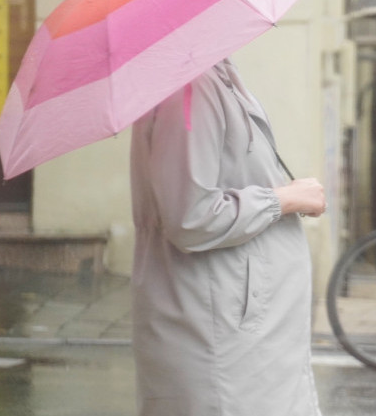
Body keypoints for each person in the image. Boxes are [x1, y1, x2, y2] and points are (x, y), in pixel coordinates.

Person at [129, 59, 327, 416]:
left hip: (232, 321)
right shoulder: (190, 87)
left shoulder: (210, 76)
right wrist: (283, 199)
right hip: (220, 324)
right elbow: (190, 216)